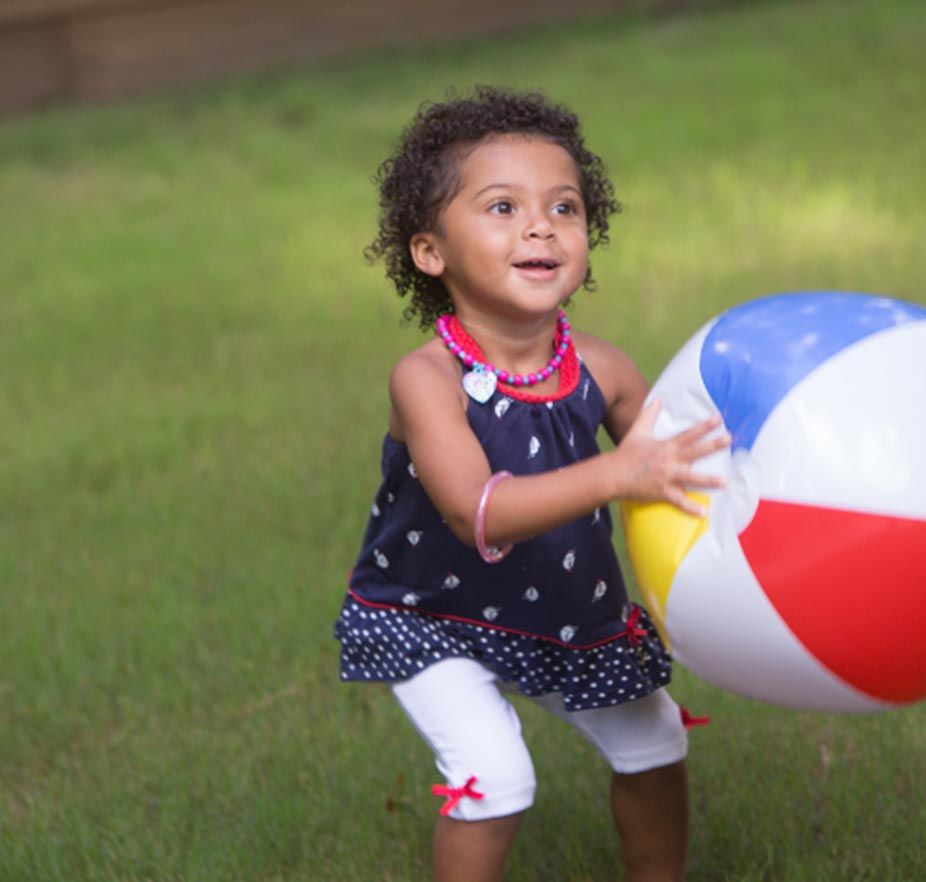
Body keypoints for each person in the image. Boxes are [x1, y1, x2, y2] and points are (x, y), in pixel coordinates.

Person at [334, 86, 728, 882]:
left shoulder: (603, 370)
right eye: (503, 208)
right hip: (432, 618)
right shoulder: (427, 379)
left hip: (566, 612)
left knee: (656, 744)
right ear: (429, 252)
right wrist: (618, 471)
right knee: (499, 782)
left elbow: (688, 469)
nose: (541, 226)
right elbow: (477, 513)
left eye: (565, 207)